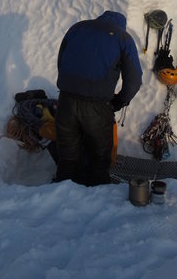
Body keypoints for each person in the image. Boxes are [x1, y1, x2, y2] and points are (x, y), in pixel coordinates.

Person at [55, 10, 142, 186]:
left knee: (67, 159)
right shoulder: (123, 38)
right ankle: (96, 202)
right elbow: (134, 80)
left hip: (65, 103)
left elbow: (61, 61)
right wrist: (119, 101)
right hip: (96, 108)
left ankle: (62, 200)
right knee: (99, 159)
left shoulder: (77, 28)